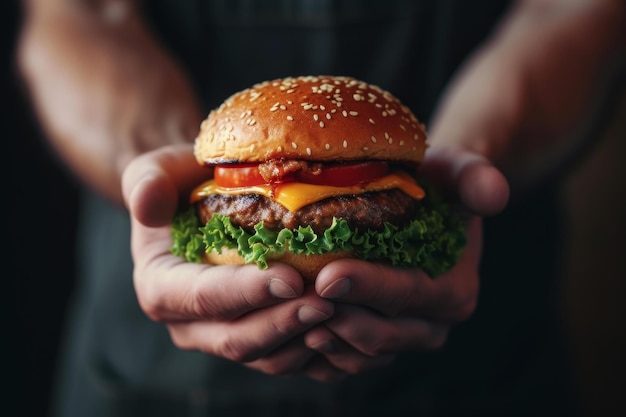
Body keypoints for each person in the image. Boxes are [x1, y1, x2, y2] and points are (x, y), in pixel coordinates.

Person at [17, 0, 625, 416]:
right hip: (152, 376)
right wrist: (157, 171)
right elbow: (82, 13)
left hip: (482, 363)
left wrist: (473, 155)